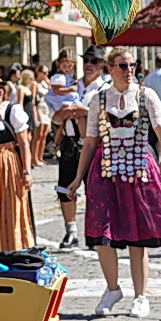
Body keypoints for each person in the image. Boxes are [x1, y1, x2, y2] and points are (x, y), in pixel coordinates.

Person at [67, 47, 161, 318]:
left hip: (138, 167)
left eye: (131, 65)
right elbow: (91, 139)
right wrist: (77, 178)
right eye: (122, 66)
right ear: (110, 68)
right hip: (106, 169)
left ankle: (140, 295)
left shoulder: (145, 95)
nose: (128, 70)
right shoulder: (99, 99)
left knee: (137, 234)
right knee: (102, 233)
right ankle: (112, 288)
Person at [50, 48, 108, 250]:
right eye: (87, 60)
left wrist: (84, 112)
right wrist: (62, 114)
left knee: (95, 190)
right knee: (65, 188)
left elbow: (110, 116)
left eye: (94, 61)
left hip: (93, 144)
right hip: (69, 142)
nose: (89, 64)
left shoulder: (105, 87)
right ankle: (71, 232)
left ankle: (96, 232)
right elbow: (54, 118)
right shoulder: (70, 84)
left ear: (102, 65)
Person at [0, 75, 34, 252]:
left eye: (0, 88)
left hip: (8, 161)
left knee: (12, 205)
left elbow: (24, 143)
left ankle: (17, 248)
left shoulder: (11, 110)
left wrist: (26, 171)